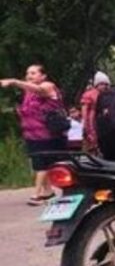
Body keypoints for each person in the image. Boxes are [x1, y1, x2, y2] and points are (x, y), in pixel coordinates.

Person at [1, 64, 68, 205]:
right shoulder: (28, 92)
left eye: (33, 73)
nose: (29, 76)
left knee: (42, 165)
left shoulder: (48, 86)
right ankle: (48, 193)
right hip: (33, 135)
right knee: (39, 164)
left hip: (48, 135)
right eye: (28, 73)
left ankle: (37, 195)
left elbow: (40, 90)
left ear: (43, 76)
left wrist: (14, 81)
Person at [80, 71, 110, 155]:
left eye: (106, 84)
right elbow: (84, 112)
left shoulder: (106, 95)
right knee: (90, 149)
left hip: (102, 126)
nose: (104, 86)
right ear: (97, 84)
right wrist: (86, 128)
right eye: (102, 84)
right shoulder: (89, 94)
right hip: (91, 124)